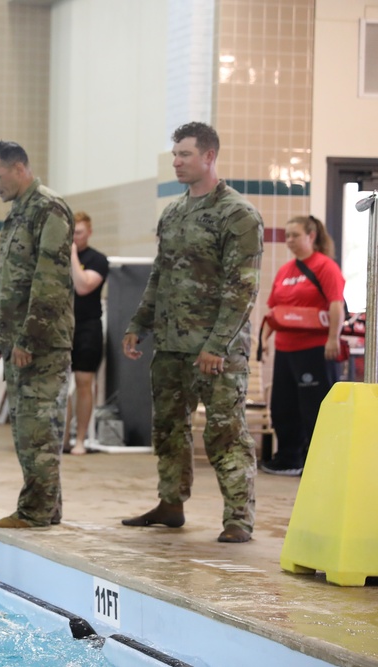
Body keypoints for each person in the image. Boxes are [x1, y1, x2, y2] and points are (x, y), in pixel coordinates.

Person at [121, 122, 263, 544]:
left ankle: (239, 517)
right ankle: (170, 504)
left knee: (225, 433)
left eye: (185, 154)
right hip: (171, 347)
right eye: (174, 155)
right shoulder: (174, 212)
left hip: (216, 350)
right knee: (167, 428)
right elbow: (160, 277)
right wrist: (138, 324)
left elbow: (243, 289)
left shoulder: (238, 214)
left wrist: (216, 345)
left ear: (209, 156)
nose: (177, 162)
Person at [0, 140, 74, 529]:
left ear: (19, 169)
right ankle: (44, 507)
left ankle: (37, 509)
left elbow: (49, 281)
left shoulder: (48, 209)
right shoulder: (19, 211)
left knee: (39, 427)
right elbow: (10, 284)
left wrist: (28, 338)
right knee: (24, 428)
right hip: (19, 341)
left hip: (42, 343)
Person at [260, 215, 345, 477]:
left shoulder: (325, 267)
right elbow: (275, 309)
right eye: (286, 236)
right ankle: (288, 458)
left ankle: (316, 461)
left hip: (316, 348)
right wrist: (264, 339)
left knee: (314, 407)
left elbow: (336, 305)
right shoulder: (286, 271)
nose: (289, 241)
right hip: (286, 349)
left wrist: (333, 337)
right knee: (283, 406)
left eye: (295, 235)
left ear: (311, 236)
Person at [64, 212, 109, 455]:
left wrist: (71, 255)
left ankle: (80, 439)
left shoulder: (97, 259)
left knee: (83, 383)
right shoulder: (56, 260)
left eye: (78, 233)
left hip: (87, 327)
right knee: (61, 384)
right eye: (71, 233)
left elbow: (82, 287)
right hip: (63, 327)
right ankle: (63, 439)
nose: (74, 237)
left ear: (89, 232)